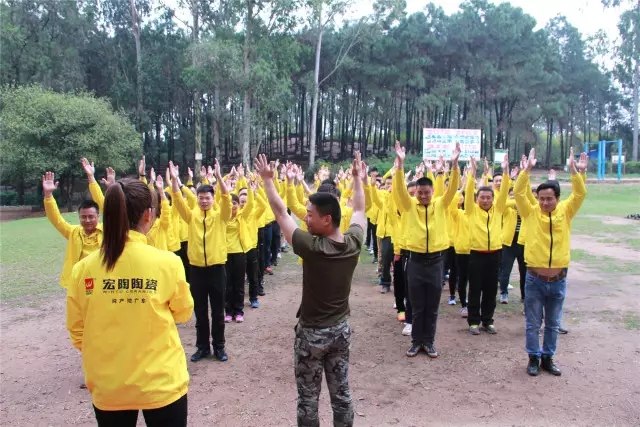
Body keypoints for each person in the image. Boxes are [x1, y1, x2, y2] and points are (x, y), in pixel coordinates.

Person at [66, 176, 194, 427]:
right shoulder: (167, 263)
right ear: (148, 215)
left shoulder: (83, 269)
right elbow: (183, 313)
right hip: (161, 382)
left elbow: (77, 331)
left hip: (108, 385)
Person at [255, 151, 366, 427]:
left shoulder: (313, 248)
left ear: (326, 219)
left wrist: (268, 181)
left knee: (308, 398)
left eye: (310, 214)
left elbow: (281, 212)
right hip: (341, 331)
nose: (305, 218)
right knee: (341, 394)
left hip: (312, 335)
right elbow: (361, 211)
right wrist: (357, 179)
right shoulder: (353, 243)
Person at [515, 148, 587, 377]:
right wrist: (526, 171)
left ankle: (548, 357)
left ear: (557, 198)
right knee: (533, 324)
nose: (545, 202)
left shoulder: (565, 211)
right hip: (535, 279)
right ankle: (533, 358)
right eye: (542, 198)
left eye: (550, 199)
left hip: (558, 279)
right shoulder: (531, 212)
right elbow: (518, 192)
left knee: (553, 324)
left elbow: (579, 195)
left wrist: (575, 171)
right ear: (537, 198)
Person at [393, 141, 460, 358]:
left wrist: (455, 164)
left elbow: (451, 189)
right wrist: (400, 165)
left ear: (432, 191)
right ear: (416, 193)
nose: (423, 196)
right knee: (416, 304)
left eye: (427, 192)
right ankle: (415, 342)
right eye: (420, 193)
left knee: (432, 306)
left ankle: (429, 342)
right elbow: (400, 190)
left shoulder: (441, 203)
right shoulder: (408, 204)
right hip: (415, 261)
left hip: (436, 261)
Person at [170, 160, 232, 363]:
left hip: (217, 269)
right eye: (201, 198)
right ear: (196, 199)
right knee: (200, 312)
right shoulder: (192, 216)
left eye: (207, 198)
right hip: (196, 270)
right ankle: (202, 347)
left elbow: (225, 197)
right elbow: (178, 200)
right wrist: (174, 180)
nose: (204, 201)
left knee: (218, 311)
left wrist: (220, 177)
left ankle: (219, 347)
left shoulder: (221, 216)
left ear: (213, 199)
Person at [464, 154, 509, 335]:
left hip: (495, 254)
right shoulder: (471, 210)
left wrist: (505, 172)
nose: (485, 200)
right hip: (476, 254)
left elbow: (504, 191)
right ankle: (473, 321)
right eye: (482, 197)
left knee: (491, 290)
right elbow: (468, 192)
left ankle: (488, 320)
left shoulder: (498, 209)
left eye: (488, 197)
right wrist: (472, 174)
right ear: (477, 199)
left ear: (493, 198)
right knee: (475, 289)